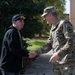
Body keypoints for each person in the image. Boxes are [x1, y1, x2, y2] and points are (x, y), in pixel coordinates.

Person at [29, 6, 75, 75]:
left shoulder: (64, 24)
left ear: (50, 15)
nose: (44, 19)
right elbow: (49, 45)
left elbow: (71, 42)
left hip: (67, 64)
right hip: (57, 64)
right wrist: (36, 52)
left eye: (45, 16)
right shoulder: (53, 27)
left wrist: (58, 54)